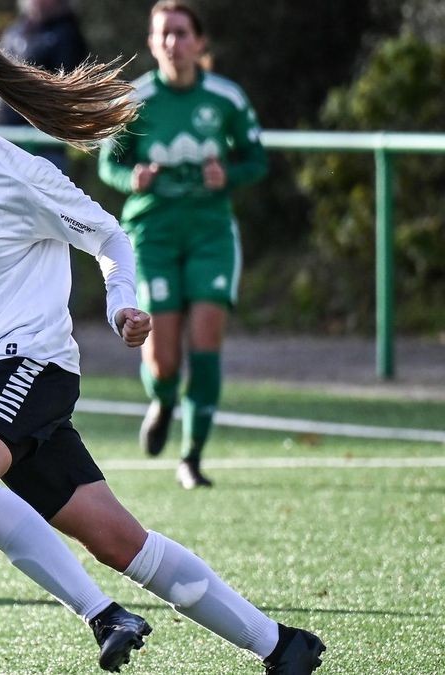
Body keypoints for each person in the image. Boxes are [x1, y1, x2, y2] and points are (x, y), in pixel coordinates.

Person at [0, 26, 323, 674]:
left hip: (33, 362)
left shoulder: (20, 176)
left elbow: (112, 239)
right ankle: (280, 644)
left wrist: (121, 305)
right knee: (119, 539)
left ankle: (104, 614)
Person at [98, 0, 268, 489]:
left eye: (181, 32)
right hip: (154, 234)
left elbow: (256, 159)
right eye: (163, 34)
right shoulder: (136, 99)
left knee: (207, 341)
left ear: (200, 42)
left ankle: (192, 456)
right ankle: (164, 398)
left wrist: (227, 175)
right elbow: (110, 164)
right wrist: (134, 176)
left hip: (211, 233)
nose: (173, 42)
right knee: (163, 356)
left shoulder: (225, 98)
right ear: (152, 44)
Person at [0, 0, 89, 170]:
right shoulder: (15, 31)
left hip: (41, 145)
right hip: (2, 137)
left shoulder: (66, 34)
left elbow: (65, 90)